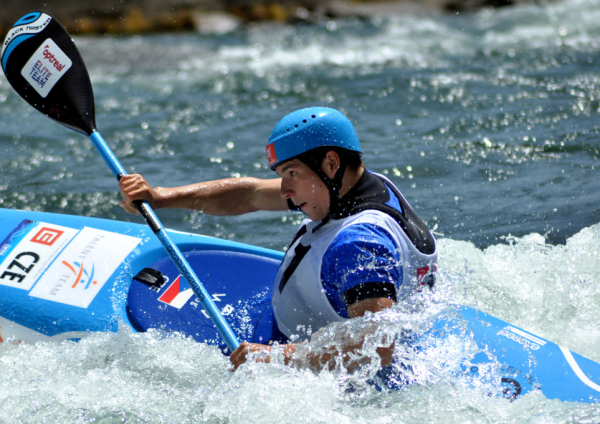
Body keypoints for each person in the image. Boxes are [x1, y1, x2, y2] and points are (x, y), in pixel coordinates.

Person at [119, 107, 437, 375]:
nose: (284, 189)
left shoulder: (358, 244)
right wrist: (161, 197)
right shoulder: (359, 188)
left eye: (291, 173)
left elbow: (378, 349)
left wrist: (273, 358)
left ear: (330, 163)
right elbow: (251, 194)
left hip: (294, 360)